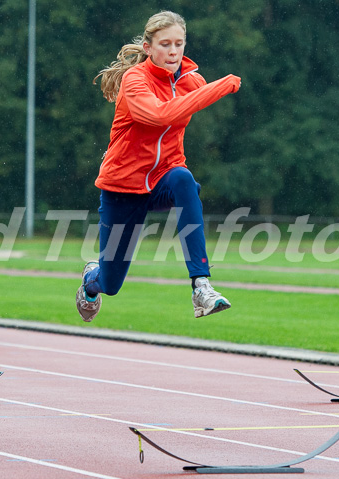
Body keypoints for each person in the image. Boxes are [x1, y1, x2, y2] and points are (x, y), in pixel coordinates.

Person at [76, 11, 241, 322]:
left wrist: (203, 86)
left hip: (163, 178)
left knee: (184, 180)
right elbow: (160, 115)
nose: (173, 51)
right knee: (111, 284)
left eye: (179, 44)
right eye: (165, 44)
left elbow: (192, 90)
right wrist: (218, 88)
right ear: (149, 48)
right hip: (123, 189)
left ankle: (201, 285)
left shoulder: (190, 81)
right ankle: (92, 278)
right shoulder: (134, 80)